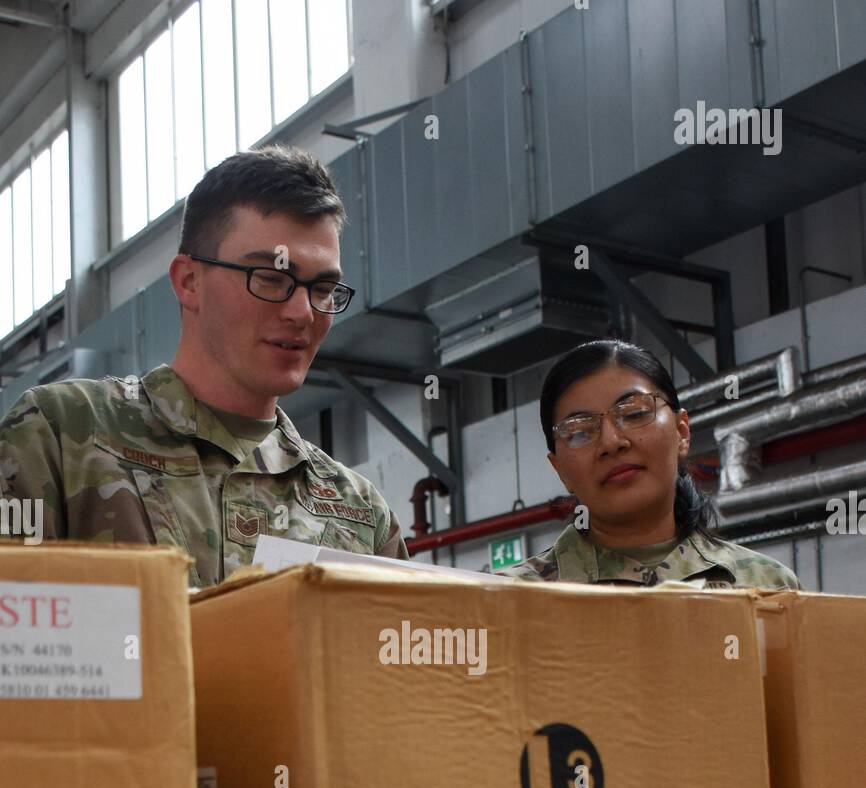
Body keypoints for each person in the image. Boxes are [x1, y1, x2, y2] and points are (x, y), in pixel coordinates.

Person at [0, 146, 408, 587]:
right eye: (271, 279)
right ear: (189, 282)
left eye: (323, 287)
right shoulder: (64, 435)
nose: (303, 313)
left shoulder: (361, 514)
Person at [508, 340, 800, 589]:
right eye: (580, 431)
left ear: (681, 432)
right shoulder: (510, 601)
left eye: (634, 414)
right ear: (560, 469)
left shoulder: (766, 585)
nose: (611, 442)